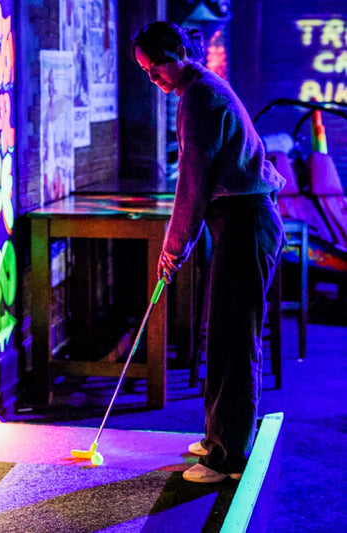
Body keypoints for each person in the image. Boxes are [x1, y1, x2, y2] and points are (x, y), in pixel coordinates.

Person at [131, 20, 286, 483]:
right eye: (145, 70)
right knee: (222, 337)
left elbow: (192, 183)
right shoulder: (198, 90)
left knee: (234, 343)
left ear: (179, 53)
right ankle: (220, 438)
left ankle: (228, 458)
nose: (152, 77)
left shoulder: (199, 96)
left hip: (246, 224)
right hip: (241, 224)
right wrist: (179, 245)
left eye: (156, 66)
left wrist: (172, 249)